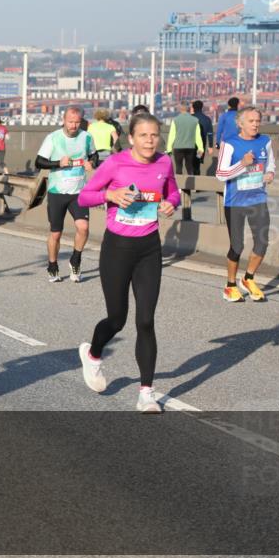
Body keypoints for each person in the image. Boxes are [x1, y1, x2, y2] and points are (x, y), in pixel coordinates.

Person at [77, 112, 179, 413]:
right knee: (117, 319)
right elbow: (85, 196)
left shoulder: (165, 163)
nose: (150, 140)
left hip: (148, 248)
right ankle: (93, 354)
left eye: (154, 135)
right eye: (143, 135)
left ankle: (147, 392)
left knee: (145, 320)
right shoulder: (116, 163)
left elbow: (173, 191)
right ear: (131, 138)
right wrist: (111, 193)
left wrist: (169, 203)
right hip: (117, 248)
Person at [215, 106, 275, 303]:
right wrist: (242, 163)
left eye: (258, 121)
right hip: (235, 203)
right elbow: (220, 174)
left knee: (262, 243)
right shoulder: (230, 144)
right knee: (237, 246)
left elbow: (271, 163)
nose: (255, 124)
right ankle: (230, 285)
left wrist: (270, 173)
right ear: (240, 124)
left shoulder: (265, 141)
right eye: (251, 121)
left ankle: (248, 279)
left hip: (258, 199)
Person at [35, 106, 97, 282]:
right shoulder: (53, 138)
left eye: (77, 122)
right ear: (64, 120)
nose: (73, 125)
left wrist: (91, 163)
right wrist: (57, 163)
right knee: (56, 233)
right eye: (70, 122)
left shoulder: (86, 137)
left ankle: (75, 259)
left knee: (83, 227)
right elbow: (39, 162)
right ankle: (52, 265)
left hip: (78, 192)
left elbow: (94, 155)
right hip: (57, 192)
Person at [166, 101, 203, 175]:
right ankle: (191, 184)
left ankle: (179, 185)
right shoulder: (195, 120)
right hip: (190, 147)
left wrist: (169, 149)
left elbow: (172, 136)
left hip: (178, 147)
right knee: (189, 167)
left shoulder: (175, 120)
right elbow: (198, 136)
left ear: (180, 109)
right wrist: (200, 149)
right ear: (188, 109)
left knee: (179, 167)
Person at [192, 100, 214, 173]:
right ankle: (196, 173)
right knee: (197, 161)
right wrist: (210, 146)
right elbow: (210, 134)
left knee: (190, 161)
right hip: (201, 145)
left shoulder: (190, 118)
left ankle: (192, 175)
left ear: (193, 108)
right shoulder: (207, 119)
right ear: (202, 107)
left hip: (190, 145)